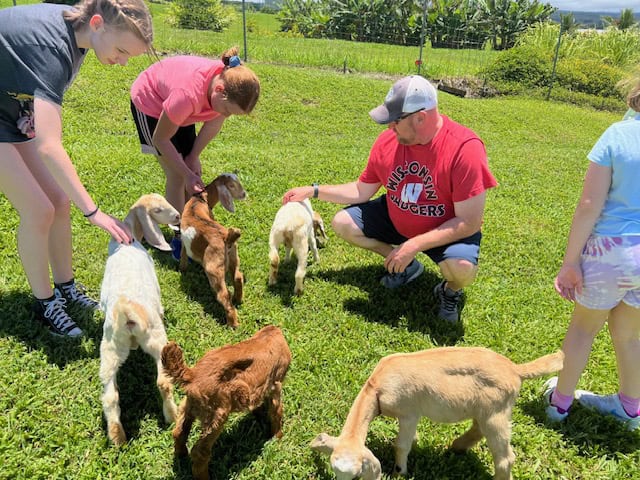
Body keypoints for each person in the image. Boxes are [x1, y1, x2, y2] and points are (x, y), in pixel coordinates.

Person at [282, 75, 497, 322]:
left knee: (462, 270)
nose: (389, 128)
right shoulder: (388, 142)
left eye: (395, 121)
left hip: (444, 227)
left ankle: (450, 292)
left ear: (420, 117)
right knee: (342, 223)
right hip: (397, 217)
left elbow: (468, 222)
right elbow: (361, 190)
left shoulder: (464, 148)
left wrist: (414, 245)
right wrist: (314, 190)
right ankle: (405, 267)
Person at [0, 0, 153, 338]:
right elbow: (49, 146)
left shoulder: (78, 37)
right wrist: (95, 213)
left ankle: (66, 287)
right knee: (39, 210)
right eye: (122, 50)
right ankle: (45, 303)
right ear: (97, 23)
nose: (123, 61)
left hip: (8, 107)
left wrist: (25, 112)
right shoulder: (54, 49)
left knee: (59, 200)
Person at [543, 83, 640, 431]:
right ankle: (630, 408)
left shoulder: (617, 134)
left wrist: (570, 263)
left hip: (611, 251)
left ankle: (559, 404)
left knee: (584, 329)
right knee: (629, 334)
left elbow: (588, 207)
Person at [129, 47, 260, 260]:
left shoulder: (222, 91)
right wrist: (186, 173)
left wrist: (193, 156)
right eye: (227, 111)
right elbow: (160, 139)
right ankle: (180, 237)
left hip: (180, 110)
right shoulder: (187, 96)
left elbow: (212, 125)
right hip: (151, 104)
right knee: (176, 176)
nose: (225, 115)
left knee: (189, 168)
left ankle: (191, 228)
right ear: (219, 90)